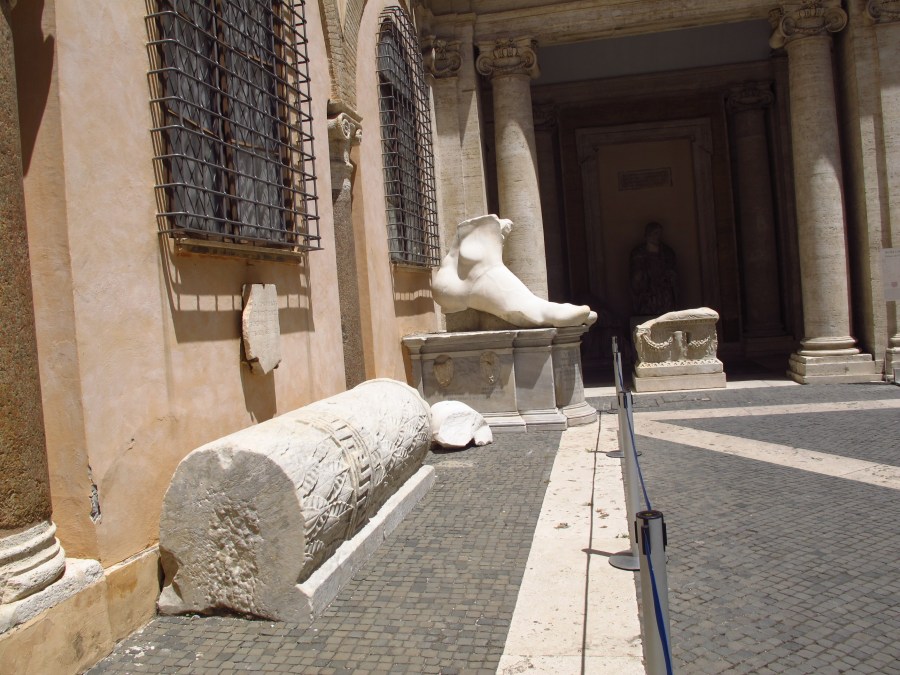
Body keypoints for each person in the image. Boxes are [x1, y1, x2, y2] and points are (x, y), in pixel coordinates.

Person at [629, 221, 678, 316]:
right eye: (655, 233)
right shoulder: (638, 252)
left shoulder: (667, 252)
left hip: (664, 289)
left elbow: (672, 269)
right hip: (647, 289)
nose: (657, 236)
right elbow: (635, 273)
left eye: (659, 233)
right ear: (648, 234)